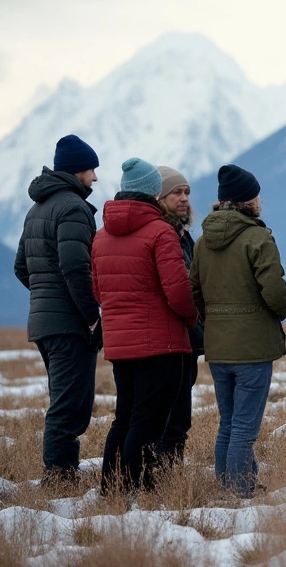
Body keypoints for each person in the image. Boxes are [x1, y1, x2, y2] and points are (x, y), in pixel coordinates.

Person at [92, 158, 197, 495]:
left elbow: (97, 290)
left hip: (120, 343)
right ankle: (136, 489)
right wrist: (191, 318)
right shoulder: (160, 232)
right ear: (154, 192)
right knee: (149, 421)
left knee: (124, 416)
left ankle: (111, 489)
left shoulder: (101, 236)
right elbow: (178, 291)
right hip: (159, 343)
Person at [190, 164, 286, 497]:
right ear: (249, 201)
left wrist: (215, 320)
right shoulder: (258, 238)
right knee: (244, 430)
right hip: (252, 347)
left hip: (218, 347)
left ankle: (229, 487)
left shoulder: (202, 242)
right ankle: (239, 495)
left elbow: (195, 293)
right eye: (257, 194)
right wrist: (284, 307)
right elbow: (274, 292)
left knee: (229, 424)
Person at [14, 134, 103, 486]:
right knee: (70, 406)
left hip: (44, 323)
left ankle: (62, 474)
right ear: (76, 170)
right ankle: (59, 479)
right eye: (91, 169)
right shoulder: (73, 208)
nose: (95, 177)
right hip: (69, 325)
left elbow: (21, 267)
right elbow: (75, 268)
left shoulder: (37, 209)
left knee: (64, 399)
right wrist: (92, 314)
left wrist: (44, 297)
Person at [155, 166, 205, 465]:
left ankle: (170, 475)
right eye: (177, 192)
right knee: (170, 415)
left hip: (186, 338)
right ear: (159, 196)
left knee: (180, 414)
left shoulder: (183, 235)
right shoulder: (163, 235)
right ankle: (162, 475)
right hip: (169, 336)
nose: (184, 198)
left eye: (187, 192)